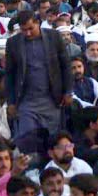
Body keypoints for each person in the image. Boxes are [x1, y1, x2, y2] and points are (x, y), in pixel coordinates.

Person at [5, 10, 73, 152]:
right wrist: (11, 102)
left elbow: (65, 66)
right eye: (24, 30)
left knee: (51, 140)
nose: (28, 33)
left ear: (38, 23)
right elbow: (10, 75)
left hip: (51, 98)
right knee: (28, 139)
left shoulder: (54, 37)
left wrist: (68, 92)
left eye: (31, 29)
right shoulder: (13, 43)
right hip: (26, 100)